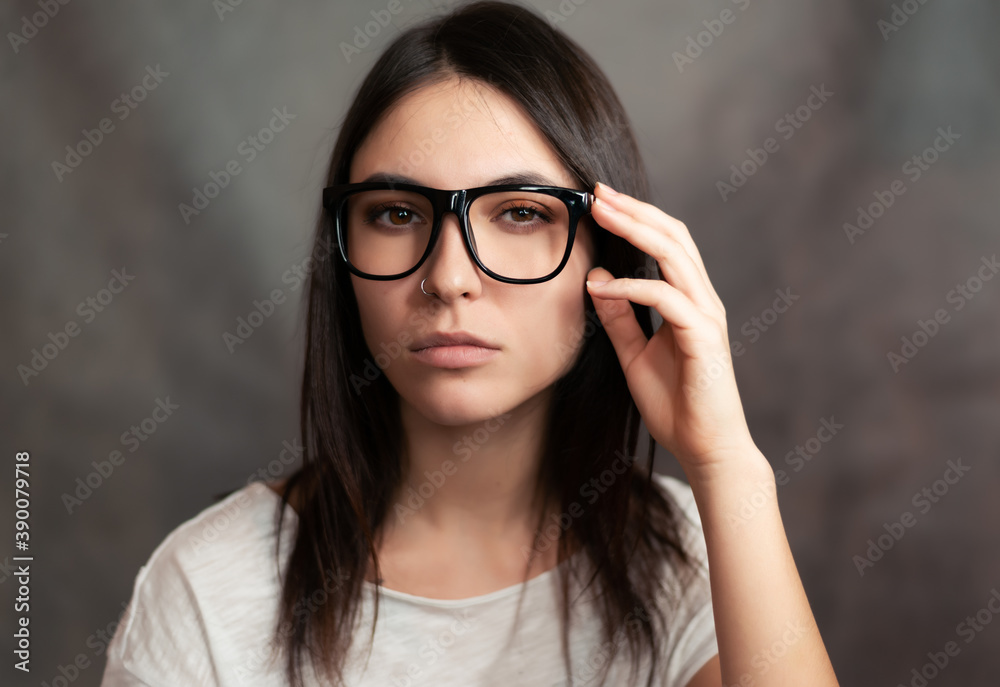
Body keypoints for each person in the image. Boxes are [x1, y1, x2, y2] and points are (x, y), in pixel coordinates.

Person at [101, 2, 840, 685]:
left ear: (606, 252)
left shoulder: (693, 557)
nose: (449, 278)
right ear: (341, 253)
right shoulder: (207, 588)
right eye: (395, 214)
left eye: (519, 213)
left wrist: (728, 465)